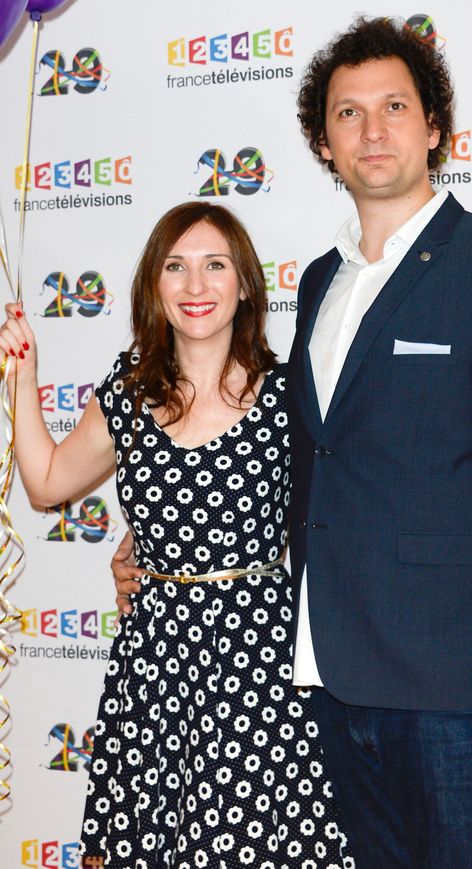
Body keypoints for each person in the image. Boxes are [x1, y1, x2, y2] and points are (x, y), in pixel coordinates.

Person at [111, 17, 472, 867]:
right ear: (323, 143)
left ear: (435, 127)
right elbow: (311, 466)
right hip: (328, 688)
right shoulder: (322, 282)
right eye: (348, 113)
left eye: (395, 107)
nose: (372, 130)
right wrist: (164, 536)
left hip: (462, 701)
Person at [0, 202, 354, 869]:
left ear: (245, 284)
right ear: (153, 287)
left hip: (257, 661)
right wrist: (22, 378)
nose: (196, 287)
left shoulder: (289, 396)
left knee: (250, 844)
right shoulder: (128, 396)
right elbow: (46, 481)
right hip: (154, 661)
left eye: (215, 266)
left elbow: (346, 514)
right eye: (176, 267)